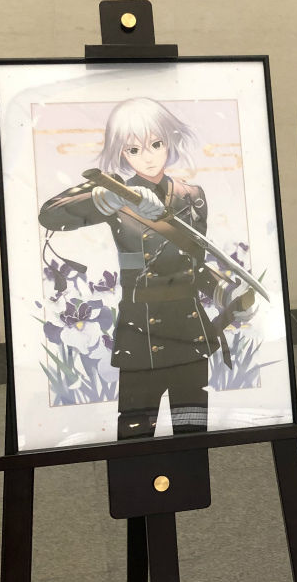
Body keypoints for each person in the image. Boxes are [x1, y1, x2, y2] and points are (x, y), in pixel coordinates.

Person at [39, 97, 218, 438]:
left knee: (193, 431)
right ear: (121, 152)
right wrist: (107, 198)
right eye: (134, 149)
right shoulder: (113, 192)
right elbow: (50, 214)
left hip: (189, 328)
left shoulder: (191, 194)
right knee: (136, 433)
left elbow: (197, 261)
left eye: (156, 144)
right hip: (141, 331)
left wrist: (224, 292)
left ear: (170, 141)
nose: (148, 156)